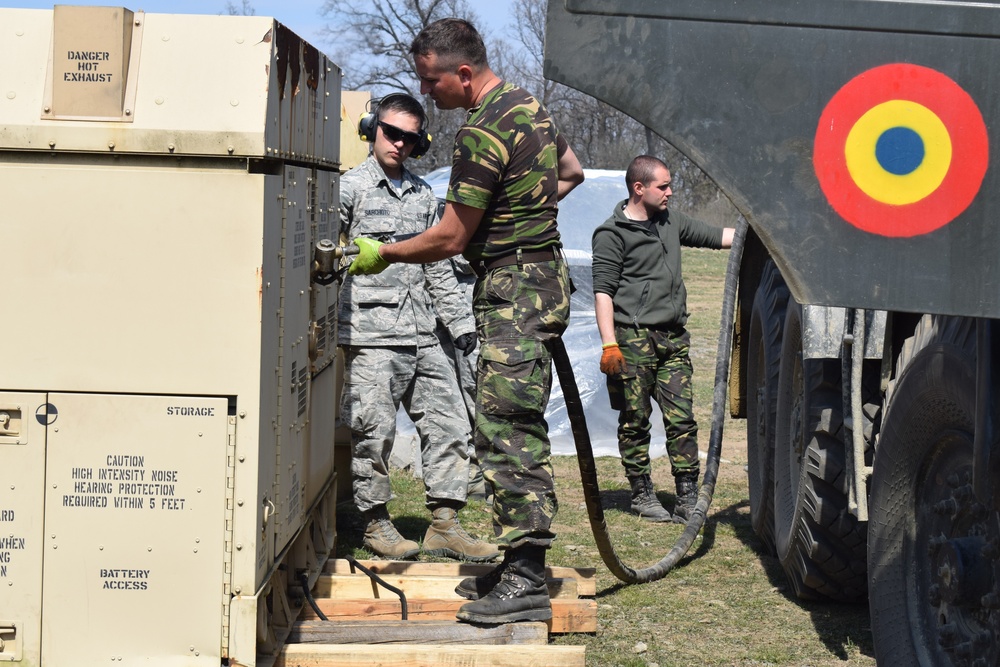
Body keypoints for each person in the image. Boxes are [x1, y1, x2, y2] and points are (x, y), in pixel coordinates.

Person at [347, 18, 584, 624]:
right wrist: (524, 215)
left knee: (506, 426)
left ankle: (528, 574)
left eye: (431, 82)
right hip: (539, 278)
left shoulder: (482, 132)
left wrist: (386, 251)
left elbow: (451, 237)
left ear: (462, 73)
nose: (428, 95)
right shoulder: (532, 109)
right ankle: (516, 560)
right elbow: (572, 173)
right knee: (508, 417)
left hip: (513, 289)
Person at [338, 92, 498, 563]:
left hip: (426, 333)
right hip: (371, 334)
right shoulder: (349, 190)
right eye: (392, 133)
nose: (400, 144)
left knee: (449, 424)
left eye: (410, 138)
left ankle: (445, 525)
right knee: (373, 430)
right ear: (372, 130)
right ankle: (375, 523)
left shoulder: (425, 195)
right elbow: (328, 259)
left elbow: (440, 267)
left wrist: (461, 326)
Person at [592, 155, 734, 524]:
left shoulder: (670, 222)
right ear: (639, 188)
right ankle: (641, 492)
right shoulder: (611, 234)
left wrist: (767, 235)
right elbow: (603, 292)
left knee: (682, 419)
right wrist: (610, 344)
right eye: (664, 186)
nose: (670, 192)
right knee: (635, 419)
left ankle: (687, 496)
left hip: (672, 340)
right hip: (631, 340)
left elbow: (718, 237)